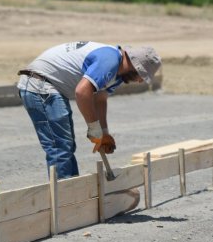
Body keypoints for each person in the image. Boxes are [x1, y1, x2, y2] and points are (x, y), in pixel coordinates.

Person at [18, 41, 161, 179]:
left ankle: (72, 191)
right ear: (134, 65)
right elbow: (82, 92)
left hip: (48, 84)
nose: (140, 81)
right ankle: (64, 198)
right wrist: (94, 129)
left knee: (66, 144)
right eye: (141, 75)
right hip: (39, 83)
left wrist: (103, 133)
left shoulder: (117, 75)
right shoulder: (110, 60)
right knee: (60, 145)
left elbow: (99, 99)